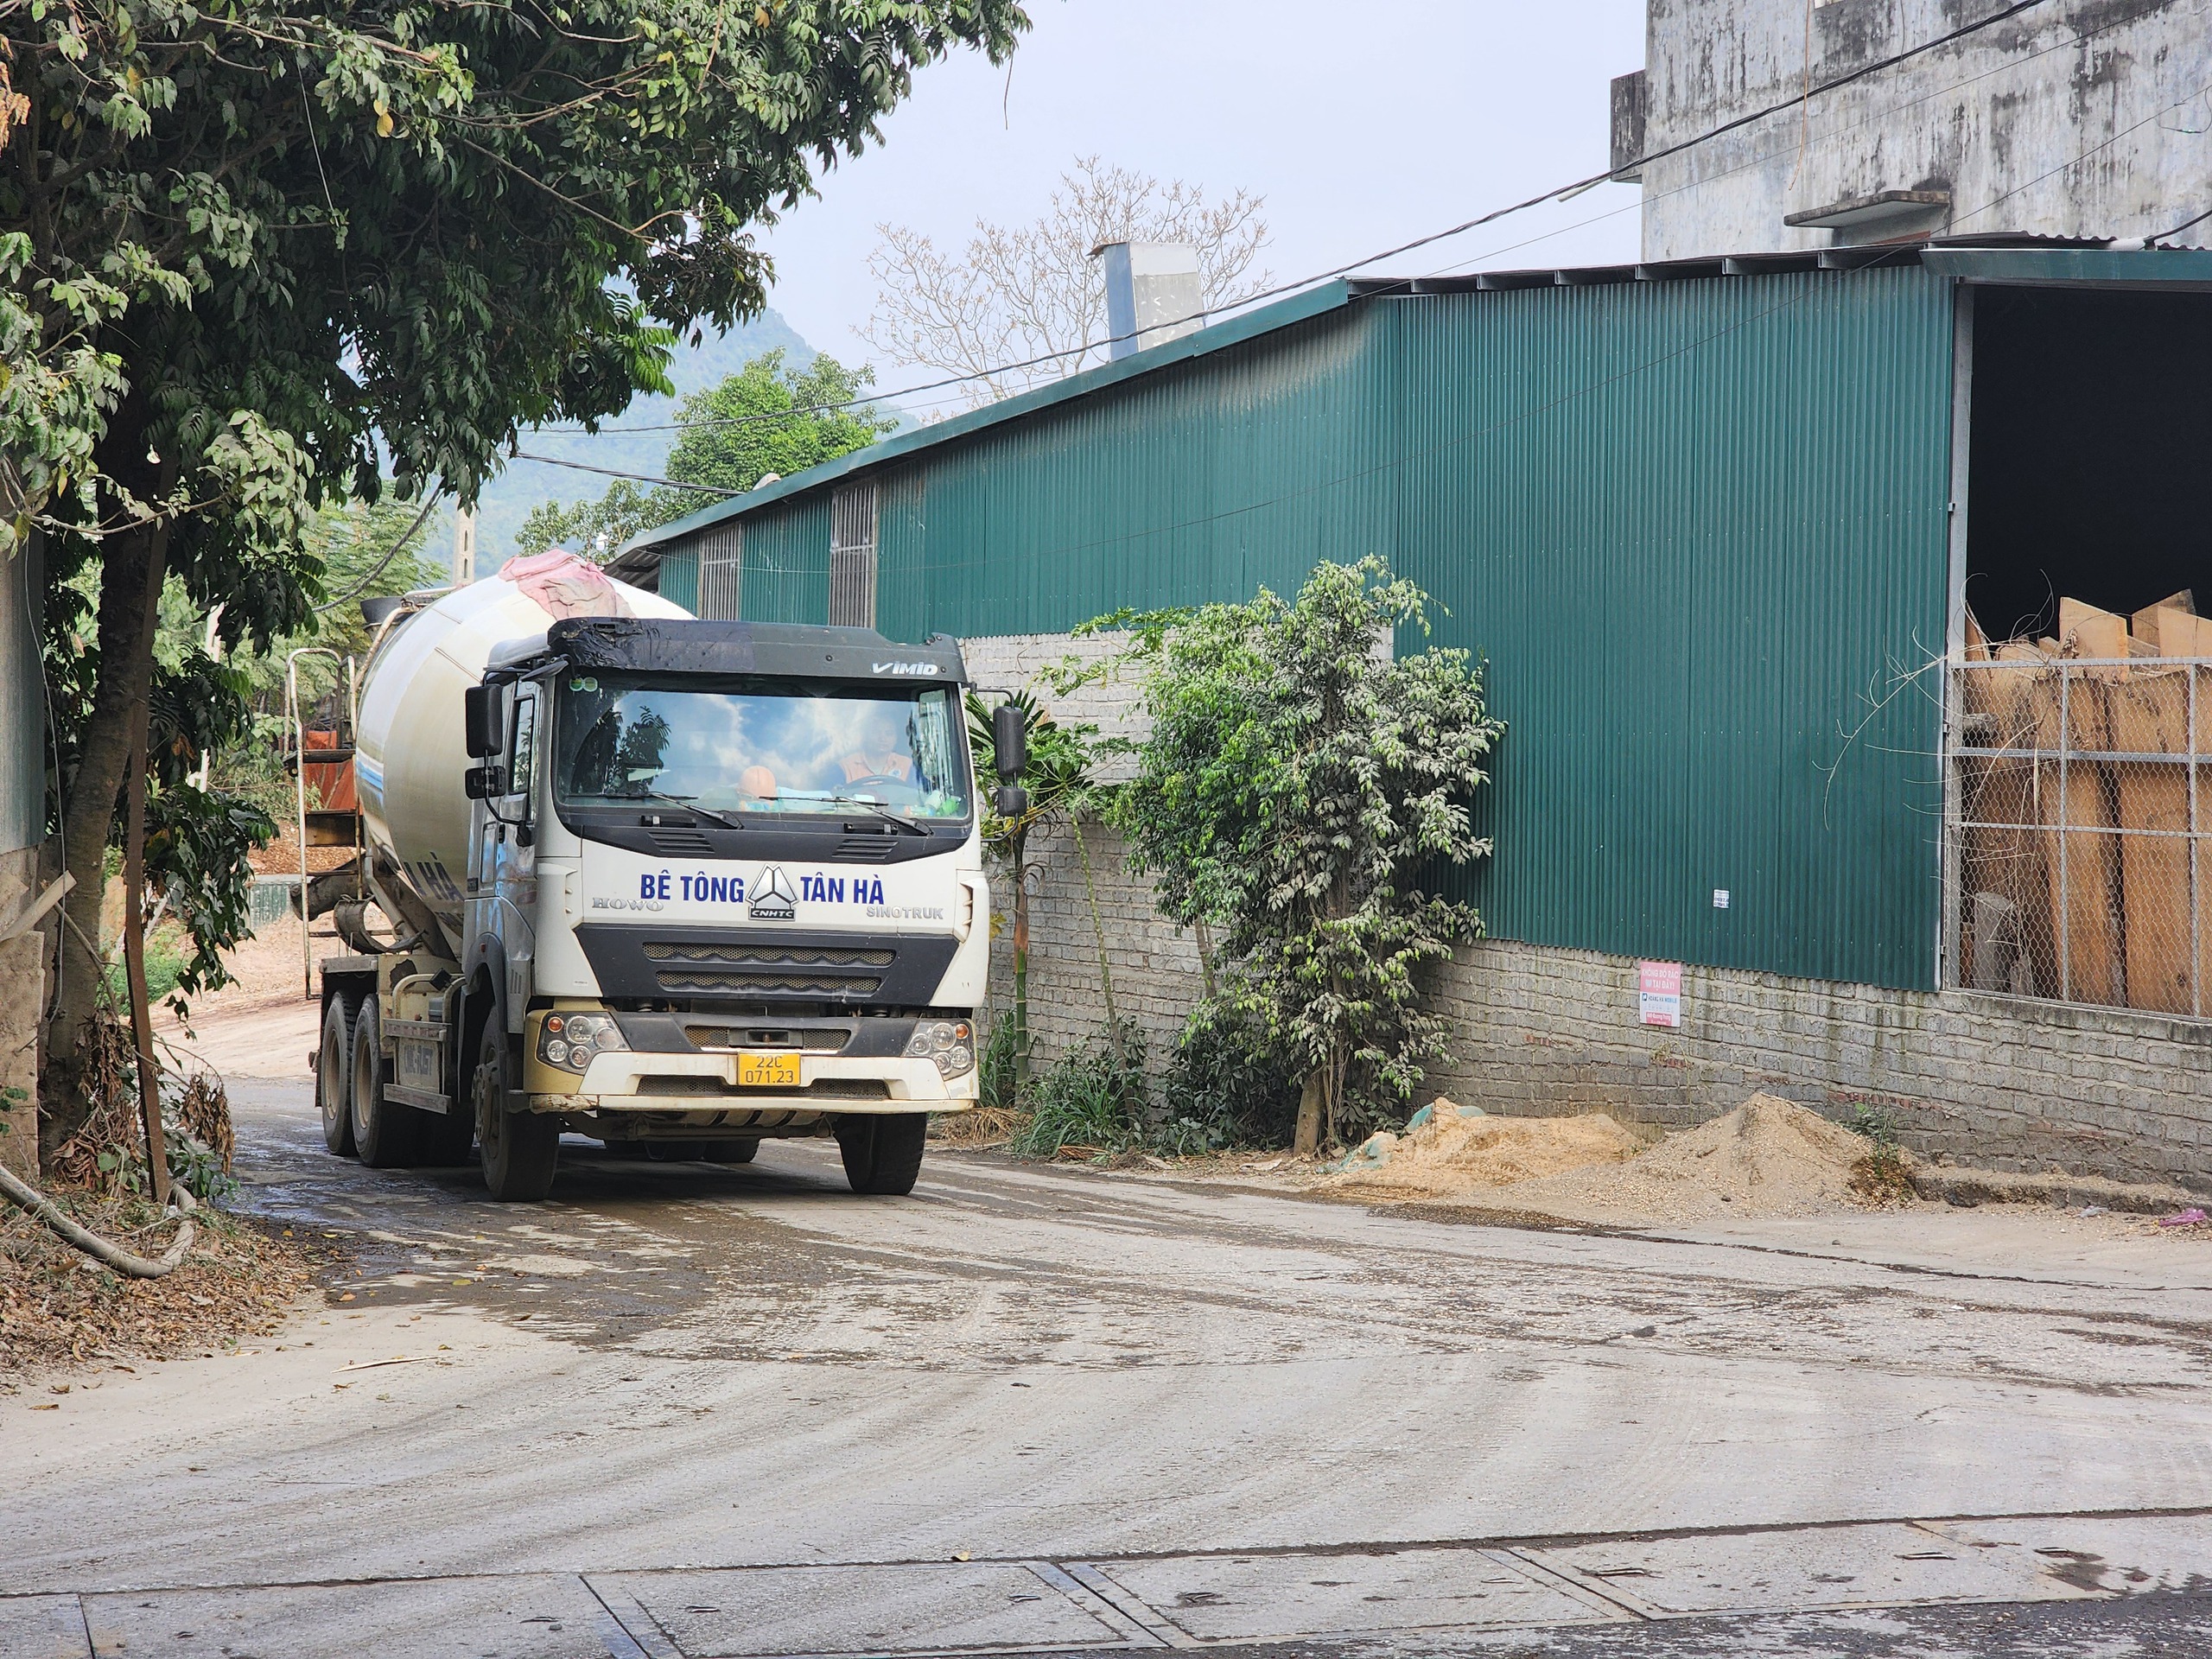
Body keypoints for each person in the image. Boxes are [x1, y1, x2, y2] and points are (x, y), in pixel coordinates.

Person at [840, 706, 914, 785]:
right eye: (876, 732)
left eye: (889, 734)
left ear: (896, 738)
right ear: (865, 736)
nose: (882, 738)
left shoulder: (907, 765)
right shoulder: (845, 766)